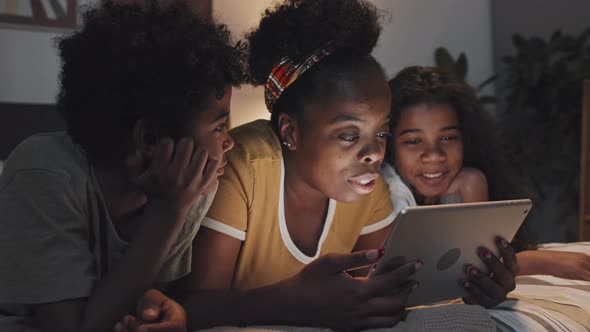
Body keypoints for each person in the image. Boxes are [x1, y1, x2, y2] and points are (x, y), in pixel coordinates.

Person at [168, 1, 517, 330]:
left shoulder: (368, 187)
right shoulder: (244, 166)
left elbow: (396, 283)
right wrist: (295, 302)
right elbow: (196, 307)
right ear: (290, 130)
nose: (374, 154)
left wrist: (472, 286)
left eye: (381, 132)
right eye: (349, 135)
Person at [0, 1, 245, 331]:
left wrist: (166, 314)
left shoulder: (190, 188)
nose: (229, 141)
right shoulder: (44, 174)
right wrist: (166, 214)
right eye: (219, 127)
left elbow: (148, 295)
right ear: (149, 139)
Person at [385, 65, 590, 282]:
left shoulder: (467, 181)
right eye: (414, 141)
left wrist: (466, 188)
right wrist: (539, 261)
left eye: (448, 138)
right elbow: (459, 273)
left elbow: (473, 259)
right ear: (388, 144)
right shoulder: (383, 194)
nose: (435, 155)